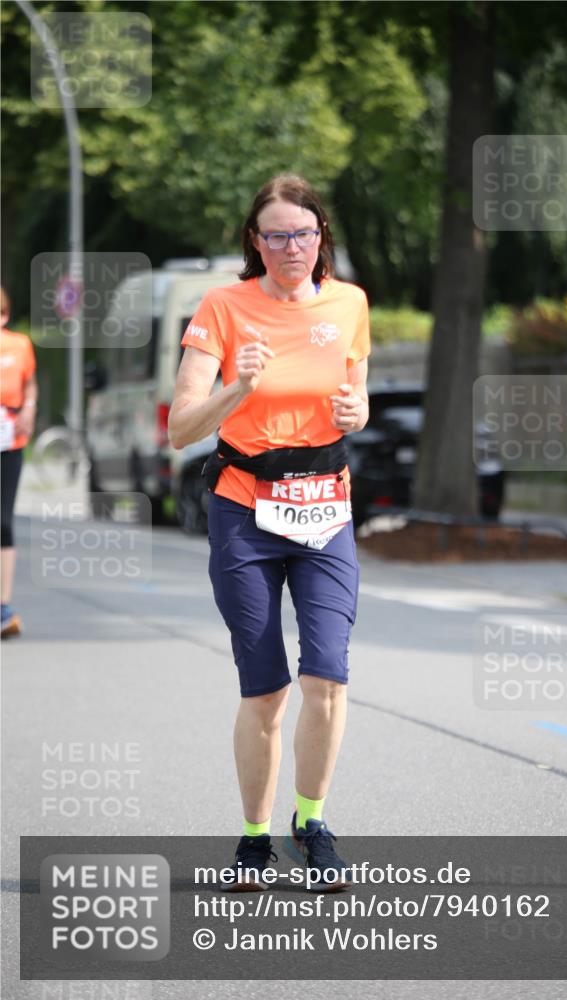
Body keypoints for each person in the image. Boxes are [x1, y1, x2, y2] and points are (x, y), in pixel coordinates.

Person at [169, 174, 370, 891]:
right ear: (255, 242)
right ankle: (254, 838)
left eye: (304, 233)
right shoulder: (223, 308)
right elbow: (180, 428)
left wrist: (356, 413)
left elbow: (356, 395)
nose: (292, 247)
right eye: (277, 235)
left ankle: (310, 824)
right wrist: (237, 387)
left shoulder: (349, 303)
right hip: (245, 510)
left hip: (325, 508)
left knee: (327, 676)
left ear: (321, 238)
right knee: (266, 689)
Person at [1, 286, 38, 638]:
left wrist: (29, 408)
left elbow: (30, 384)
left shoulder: (20, 345)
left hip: (9, 439)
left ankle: (3, 606)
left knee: (3, 522)